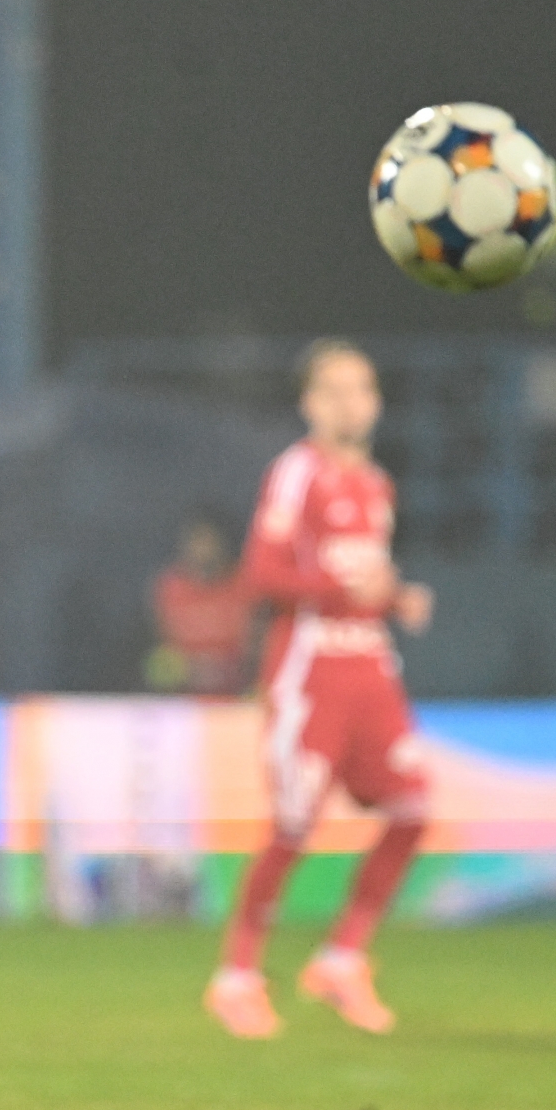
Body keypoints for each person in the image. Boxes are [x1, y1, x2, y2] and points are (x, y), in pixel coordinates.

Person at [203, 339, 432, 1040]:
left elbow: (364, 581)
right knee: (295, 825)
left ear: (377, 402)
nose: (348, 403)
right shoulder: (296, 473)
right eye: (333, 390)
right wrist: (342, 589)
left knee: (412, 809)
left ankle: (341, 959)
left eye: (360, 389)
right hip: (311, 671)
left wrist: (395, 599)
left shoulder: (377, 485)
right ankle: (236, 977)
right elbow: (261, 574)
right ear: (309, 403)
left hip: (371, 668)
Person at [145, 511, 252, 694]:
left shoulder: (245, 585)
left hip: (237, 695)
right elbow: (157, 649)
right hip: (182, 698)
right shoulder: (168, 590)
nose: (203, 549)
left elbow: (258, 646)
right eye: (197, 541)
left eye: (209, 541)